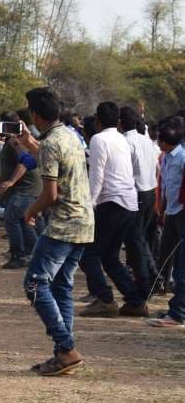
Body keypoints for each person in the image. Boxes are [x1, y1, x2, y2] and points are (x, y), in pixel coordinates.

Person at [17, 87, 93, 377]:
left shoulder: (51, 144)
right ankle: (63, 356)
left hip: (63, 223)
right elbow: (53, 160)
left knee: (34, 284)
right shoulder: (69, 135)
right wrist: (29, 144)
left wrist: (30, 211)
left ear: (35, 115)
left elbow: (49, 194)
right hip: (84, 221)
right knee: (61, 285)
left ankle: (67, 346)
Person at [79, 101, 145, 317]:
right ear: (117, 121)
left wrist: (89, 204)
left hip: (112, 202)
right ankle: (135, 300)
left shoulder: (99, 139)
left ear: (97, 121)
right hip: (129, 201)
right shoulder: (120, 138)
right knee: (109, 256)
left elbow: (97, 175)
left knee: (88, 254)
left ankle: (105, 299)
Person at [119, 105, 160, 302]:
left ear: (119, 123)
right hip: (150, 191)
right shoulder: (147, 141)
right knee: (140, 239)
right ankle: (153, 276)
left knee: (135, 241)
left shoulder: (125, 143)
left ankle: (148, 279)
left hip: (137, 194)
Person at [147, 122, 185, 328]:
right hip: (171, 211)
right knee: (168, 257)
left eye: (159, 138)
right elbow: (166, 184)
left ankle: (178, 313)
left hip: (181, 212)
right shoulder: (167, 157)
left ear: (165, 141)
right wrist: (160, 207)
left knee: (181, 266)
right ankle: (175, 308)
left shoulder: (182, 157)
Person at [0, 111, 43, 269]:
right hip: (24, 186)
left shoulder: (16, 141)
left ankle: (21, 254)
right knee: (29, 220)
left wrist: (10, 181)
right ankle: (34, 252)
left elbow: (24, 162)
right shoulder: (13, 140)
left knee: (13, 218)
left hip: (27, 186)